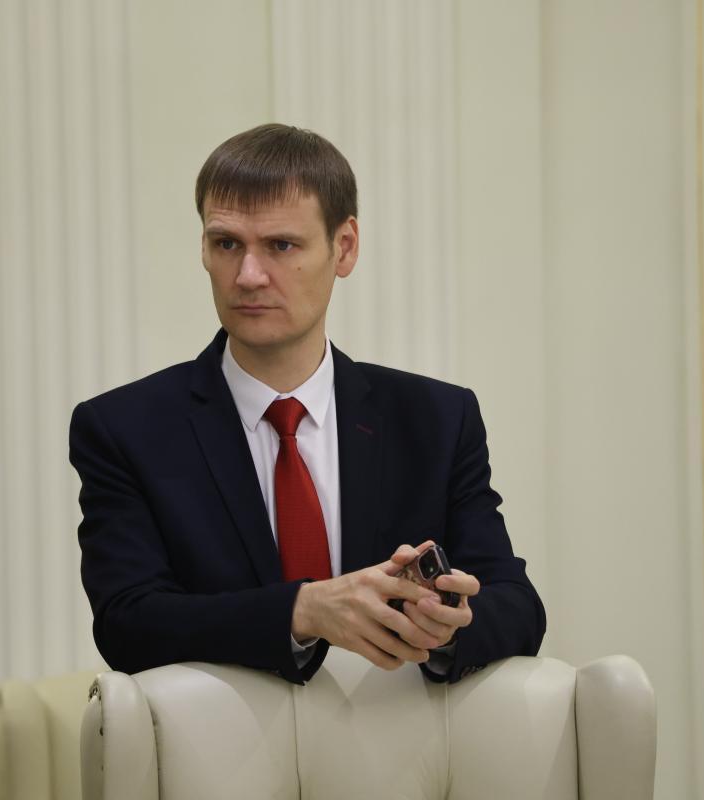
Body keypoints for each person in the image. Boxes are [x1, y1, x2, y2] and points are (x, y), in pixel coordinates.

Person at [68, 123, 545, 684]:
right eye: (226, 244)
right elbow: (127, 625)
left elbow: (517, 606)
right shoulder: (124, 428)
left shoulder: (437, 419)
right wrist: (303, 610)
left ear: (344, 247)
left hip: (391, 732)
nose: (248, 276)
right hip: (220, 739)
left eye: (281, 246)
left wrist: (447, 625)